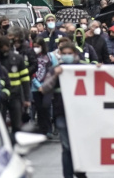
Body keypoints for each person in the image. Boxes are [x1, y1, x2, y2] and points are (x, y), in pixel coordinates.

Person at [39, 42, 86, 178]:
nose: (66, 56)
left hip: (81, 114)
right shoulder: (55, 70)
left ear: (75, 54)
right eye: (64, 54)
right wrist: (55, 75)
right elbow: (44, 88)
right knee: (67, 147)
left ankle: (79, 172)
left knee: (79, 146)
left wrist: (98, 69)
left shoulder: (84, 68)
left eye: (69, 54)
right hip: (62, 113)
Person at [0, 35, 31, 133]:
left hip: (15, 95)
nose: (4, 49)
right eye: (2, 47)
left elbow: (25, 79)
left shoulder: (18, 58)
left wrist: (27, 98)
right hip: (1, 96)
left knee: (17, 124)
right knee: (0, 125)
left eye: (6, 46)